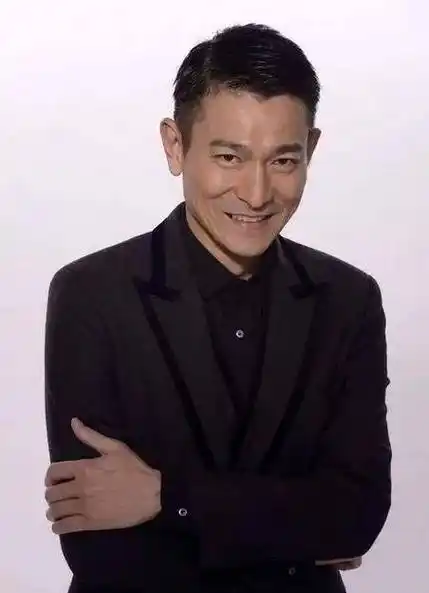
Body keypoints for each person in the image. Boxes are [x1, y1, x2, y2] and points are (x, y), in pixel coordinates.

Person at [43, 23, 391, 593]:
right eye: (230, 157)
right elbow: (100, 549)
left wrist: (167, 498)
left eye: (284, 161)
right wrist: (291, 537)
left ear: (312, 149)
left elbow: (355, 517)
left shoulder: (349, 300)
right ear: (174, 146)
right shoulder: (91, 294)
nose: (256, 193)